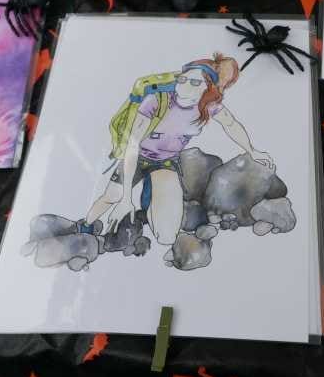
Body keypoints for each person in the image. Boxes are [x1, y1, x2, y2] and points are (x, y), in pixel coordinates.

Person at [84, 54, 274, 256]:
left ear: (207, 88)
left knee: (166, 237)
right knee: (111, 196)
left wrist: (252, 151)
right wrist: (126, 199)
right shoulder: (157, 100)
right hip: (137, 157)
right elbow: (132, 145)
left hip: (165, 162)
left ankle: (148, 203)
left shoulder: (208, 106)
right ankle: (84, 227)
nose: (185, 85)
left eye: (195, 82)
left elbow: (231, 125)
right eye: (183, 79)